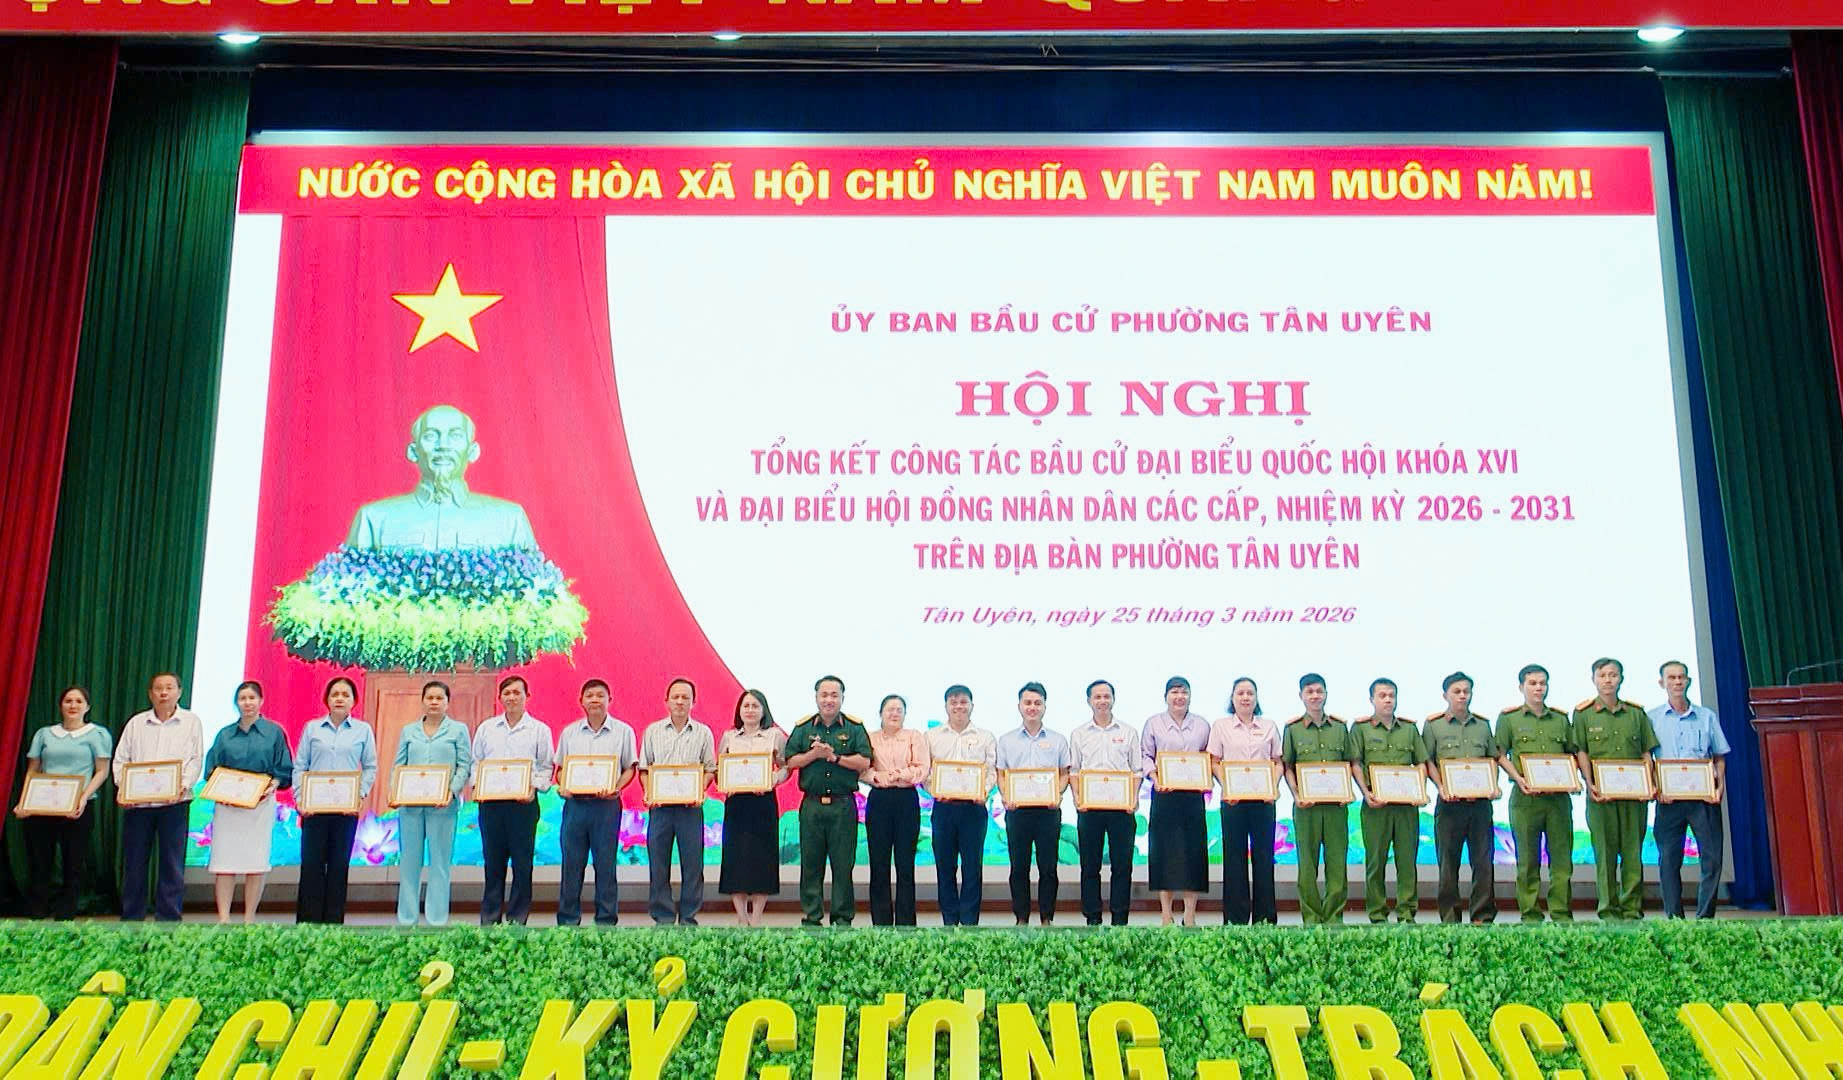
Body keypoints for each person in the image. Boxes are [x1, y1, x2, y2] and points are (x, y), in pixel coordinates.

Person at [345, 404, 538, 550]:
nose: (443, 445)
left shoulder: (510, 519)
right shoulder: (374, 518)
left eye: (455, 436)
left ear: (472, 451)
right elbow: (348, 588)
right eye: (430, 436)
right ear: (413, 451)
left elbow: (535, 589)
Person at [1574, 657, 1659, 921]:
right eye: (1602, 675)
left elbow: (1646, 752)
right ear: (1594, 679)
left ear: (1621, 678)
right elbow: (1581, 751)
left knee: (1633, 853)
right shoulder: (1583, 714)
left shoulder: (1636, 713)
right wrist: (1589, 783)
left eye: (1613, 675)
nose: (1608, 680)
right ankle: (1608, 908)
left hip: (1634, 797)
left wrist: (1649, 782)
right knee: (1605, 853)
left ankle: (1631, 907)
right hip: (1601, 796)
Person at [115, 672, 204, 922]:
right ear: (150, 693)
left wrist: (182, 786)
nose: (163, 693)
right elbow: (121, 759)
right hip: (138, 805)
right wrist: (124, 788)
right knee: (134, 863)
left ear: (179, 692)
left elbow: (196, 759)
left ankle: (169, 918)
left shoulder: (191, 722)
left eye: (169, 687)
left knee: (172, 863)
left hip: (175, 804)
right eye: (158, 688)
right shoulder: (136, 723)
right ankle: (132, 917)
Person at [16, 686, 111, 919]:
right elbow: (33, 770)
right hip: (43, 806)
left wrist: (83, 798)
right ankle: (37, 909)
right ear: (61, 705)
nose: (73, 705)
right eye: (68, 701)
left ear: (87, 707)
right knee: (40, 860)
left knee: (73, 861)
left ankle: (66, 911)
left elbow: (102, 771)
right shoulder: (44, 734)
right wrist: (25, 801)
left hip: (78, 806)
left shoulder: (97, 734)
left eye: (79, 701)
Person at [786, 675, 874, 927]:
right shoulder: (803, 728)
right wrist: (814, 754)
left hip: (842, 805)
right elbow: (790, 760)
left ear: (842, 698)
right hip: (811, 806)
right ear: (816, 698)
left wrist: (835, 757)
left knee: (843, 865)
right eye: (824, 695)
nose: (829, 700)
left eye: (834, 695)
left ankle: (842, 919)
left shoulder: (854, 728)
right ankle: (812, 917)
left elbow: (864, 761)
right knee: (810, 864)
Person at [203, 681, 293, 923]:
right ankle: (223, 918)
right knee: (224, 863)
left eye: (252, 698)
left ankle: (249, 917)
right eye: (242, 698)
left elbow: (284, 768)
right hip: (228, 807)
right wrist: (222, 789)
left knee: (256, 862)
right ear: (236, 703)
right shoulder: (224, 734)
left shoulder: (274, 732)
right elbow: (211, 769)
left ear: (261, 701)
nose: (247, 703)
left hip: (260, 805)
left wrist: (273, 784)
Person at [1495, 664, 1579, 922]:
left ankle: (1561, 913)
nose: (1538, 688)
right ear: (1521, 687)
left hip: (1558, 801)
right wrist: (1518, 778)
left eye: (1542, 683)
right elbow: (1499, 754)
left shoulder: (1561, 719)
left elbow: (1573, 753)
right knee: (1527, 860)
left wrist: (1572, 778)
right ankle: (1530, 914)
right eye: (1532, 683)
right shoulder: (1509, 719)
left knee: (1561, 861)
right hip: (1525, 799)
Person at [1648, 660, 1728, 919]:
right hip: (1668, 801)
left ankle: (1705, 917)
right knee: (1669, 861)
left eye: (1681, 677)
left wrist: (1719, 786)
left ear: (1688, 681)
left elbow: (1719, 756)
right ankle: (1674, 918)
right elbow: (1646, 758)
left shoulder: (1706, 716)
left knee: (1712, 859)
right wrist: (1655, 787)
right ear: (1662, 683)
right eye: (1671, 678)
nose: (1677, 682)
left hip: (1703, 800)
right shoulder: (1652, 718)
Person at [472, 675, 554, 925]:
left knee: (522, 863)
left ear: (527, 697)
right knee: (493, 863)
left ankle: (518, 919)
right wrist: (477, 786)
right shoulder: (486, 728)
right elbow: (476, 763)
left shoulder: (539, 730)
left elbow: (546, 766)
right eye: (506, 693)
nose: (511, 697)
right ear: (500, 698)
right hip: (491, 805)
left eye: (517, 693)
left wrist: (533, 788)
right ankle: (490, 919)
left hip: (523, 806)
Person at [294, 676, 377, 925]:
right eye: (335, 694)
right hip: (314, 810)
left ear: (354, 701)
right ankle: (307, 925)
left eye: (345, 695)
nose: (340, 699)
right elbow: (300, 766)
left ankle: (333, 926)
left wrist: (359, 794)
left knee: (339, 868)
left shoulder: (363, 730)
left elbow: (370, 766)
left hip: (345, 811)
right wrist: (300, 798)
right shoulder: (312, 728)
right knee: (311, 867)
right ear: (327, 700)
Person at [555, 679, 636, 926]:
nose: (595, 700)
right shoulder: (569, 733)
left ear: (610, 700)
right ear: (581, 701)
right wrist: (563, 785)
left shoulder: (624, 732)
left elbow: (630, 768)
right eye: (589, 695)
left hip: (606, 807)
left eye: (600, 695)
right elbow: (561, 770)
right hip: (576, 806)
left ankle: (606, 920)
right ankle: (568, 921)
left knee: (605, 864)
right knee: (572, 864)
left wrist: (616, 788)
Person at [1422, 672, 1500, 924]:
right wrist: (1440, 786)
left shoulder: (1483, 725)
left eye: (1467, 691)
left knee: (1483, 862)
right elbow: (1427, 761)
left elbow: (1492, 759)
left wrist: (1493, 785)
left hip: (1480, 805)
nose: (1462, 696)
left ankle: (1482, 916)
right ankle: (1449, 917)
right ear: (1445, 695)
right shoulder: (1433, 726)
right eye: (1457, 691)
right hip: (1449, 805)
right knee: (1448, 864)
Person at [393, 680, 473, 926]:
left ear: (447, 703)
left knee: (439, 863)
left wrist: (451, 791)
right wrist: (394, 792)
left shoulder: (458, 730)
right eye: (430, 698)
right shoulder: (409, 731)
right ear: (422, 701)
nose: (434, 702)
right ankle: (407, 919)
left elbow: (464, 765)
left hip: (443, 807)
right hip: (410, 807)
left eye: (440, 698)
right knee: (409, 863)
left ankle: (437, 920)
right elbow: (399, 765)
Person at [1348, 677, 1428, 924]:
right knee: (1376, 861)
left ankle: (1406, 913)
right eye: (1382, 696)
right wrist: (1365, 792)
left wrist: (1420, 790)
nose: (1388, 700)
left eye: (1392, 695)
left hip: (1406, 807)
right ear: (1372, 699)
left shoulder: (1409, 729)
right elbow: (1355, 763)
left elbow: (1421, 762)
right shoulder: (1361, 729)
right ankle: (1377, 913)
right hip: (1376, 805)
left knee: (1407, 861)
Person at [640, 678, 718, 926]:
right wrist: (649, 791)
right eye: (676, 697)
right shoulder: (652, 731)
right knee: (658, 863)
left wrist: (699, 790)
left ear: (694, 702)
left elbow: (710, 769)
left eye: (686, 697)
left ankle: (688, 917)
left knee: (693, 864)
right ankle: (662, 916)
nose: (680, 702)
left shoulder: (703, 733)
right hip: (660, 809)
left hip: (690, 809)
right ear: (667, 701)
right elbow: (645, 769)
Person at [996, 682, 1071, 926]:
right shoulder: (1006, 740)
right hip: (1018, 811)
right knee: (1019, 867)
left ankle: (1047, 917)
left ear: (1044, 707)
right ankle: (1021, 918)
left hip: (1048, 812)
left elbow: (1064, 773)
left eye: (1037, 703)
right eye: (1027, 702)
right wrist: (1006, 795)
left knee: (1048, 867)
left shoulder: (1058, 740)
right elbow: (1001, 774)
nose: (1032, 707)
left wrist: (1057, 793)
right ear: (1019, 706)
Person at [1207, 677, 1281, 925]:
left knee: (1264, 859)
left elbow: (1278, 762)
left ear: (1257, 698)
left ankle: (1265, 919)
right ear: (1232, 698)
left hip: (1263, 802)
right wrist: (1227, 786)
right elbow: (1214, 761)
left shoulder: (1269, 726)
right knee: (1234, 859)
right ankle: (1235, 919)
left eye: (1250, 693)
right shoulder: (1221, 727)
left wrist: (1273, 787)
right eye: (1240, 693)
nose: (1245, 697)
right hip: (1233, 802)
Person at [1283, 673, 1353, 927]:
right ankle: (1311, 917)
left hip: (1336, 808)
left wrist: (1347, 791)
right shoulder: (1293, 729)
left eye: (1319, 691)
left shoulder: (1340, 728)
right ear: (1301, 696)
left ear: (1326, 694)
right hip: (1307, 808)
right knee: (1307, 864)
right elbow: (1287, 766)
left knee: (1337, 863)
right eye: (1309, 692)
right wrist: (1296, 794)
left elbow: (1350, 763)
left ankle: (1334, 917)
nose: (1315, 696)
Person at [924, 684, 997, 926]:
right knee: (945, 866)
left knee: (972, 867)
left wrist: (983, 792)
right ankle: (949, 920)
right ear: (946, 706)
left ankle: (969, 922)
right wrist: (935, 791)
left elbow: (991, 771)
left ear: (972, 706)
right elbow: (925, 771)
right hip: (943, 808)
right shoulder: (931, 736)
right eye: (953, 702)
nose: (958, 706)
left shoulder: (985, 737)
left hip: (973, 809)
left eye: (963, 702)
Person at [1141, 676, 1210, 926]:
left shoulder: (1202, 725)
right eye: (1174, 692)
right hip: (1164, 795)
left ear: (1190, 696)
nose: (1179, 697)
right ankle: (1166, 914)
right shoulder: (1153, 723)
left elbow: (1209, 757)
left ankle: (1189, 915)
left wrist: (1206, 778)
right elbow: (1145, 755)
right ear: (1166, 697)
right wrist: (1155, 777)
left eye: (1184, 692)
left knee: (1194, 853)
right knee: (1164, 853)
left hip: (1193, 797)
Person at [1070, 679, 1139, 927]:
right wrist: (1078, 799)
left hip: (1121, 809)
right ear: (1089, 701)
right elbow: (1074, 771)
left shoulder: (1128, 732)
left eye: (1106, 696)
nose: (1102, 701)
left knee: (1122, 866)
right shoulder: (1079, 734)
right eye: (1097, 697)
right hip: (1090, 809)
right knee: (1090, 866)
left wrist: (1133, 799)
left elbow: (1136, 771)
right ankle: (1093, 917)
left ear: (1113, 699)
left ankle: (1120, 918)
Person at [718, 688, 787, 926]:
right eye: (746, 706)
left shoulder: (774, 736)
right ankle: (741, 916)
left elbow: (786, 766)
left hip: (763, 803)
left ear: (764, 710)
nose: (750, 710)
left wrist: (771, 780)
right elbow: (720, 768)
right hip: (736, 803)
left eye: (755, 706)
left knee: (762, 858)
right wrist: (725, 782)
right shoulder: (729, 737)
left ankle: (756, 918)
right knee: (735, 858)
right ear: (739, 710)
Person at [864, 693, 929, 926]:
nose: (894, 714)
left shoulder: (914, 736)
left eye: (899, 710)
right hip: (879, 799)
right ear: (880, 713)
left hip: (906, 800)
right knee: (879, 863)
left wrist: (898, 775)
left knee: (905, 863)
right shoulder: (869, 738)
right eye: (890, 709)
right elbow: (863, 769)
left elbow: (922, 768)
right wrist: (880, 778)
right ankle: (880, 922)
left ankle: (906, 923)